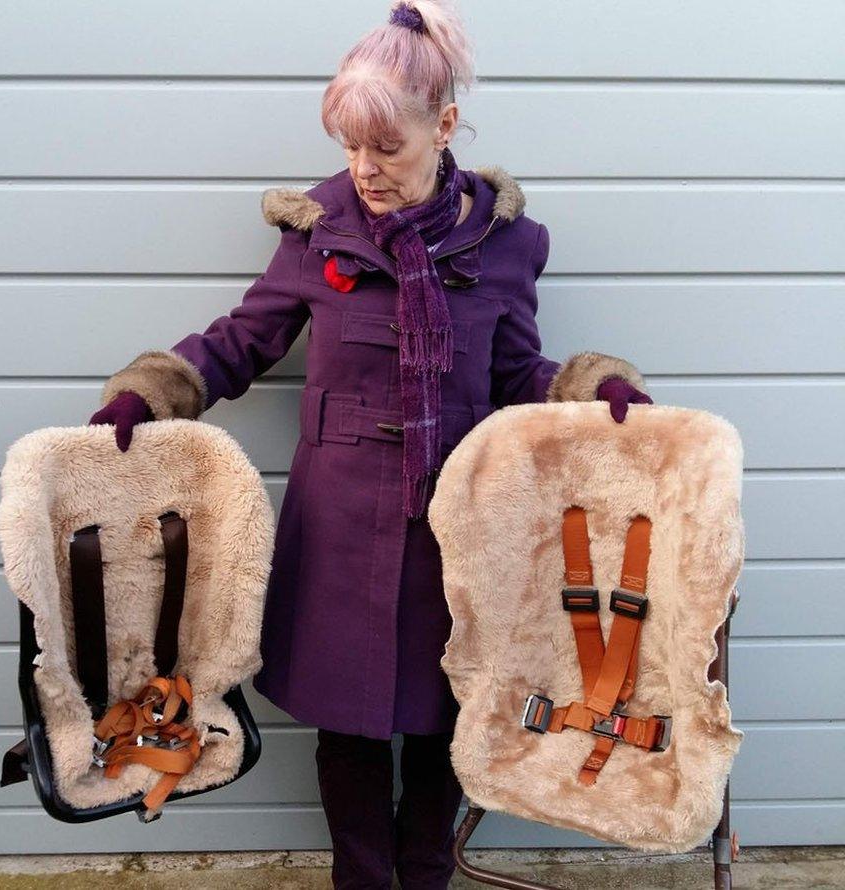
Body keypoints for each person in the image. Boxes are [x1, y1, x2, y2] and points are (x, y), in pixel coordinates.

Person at [89, 2, 652, 886]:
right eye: (351, 146)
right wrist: (150, 394)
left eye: (386, 146)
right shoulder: (319, 232)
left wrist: (591, 387)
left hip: (458, 518)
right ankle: (363, 878)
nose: (365, 170)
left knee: (442, 712)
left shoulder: (504, 246)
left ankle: (426, 870)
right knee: (347, 718)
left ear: (446, 125)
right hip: (342, 514)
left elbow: (512, 372)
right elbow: (242, 341)